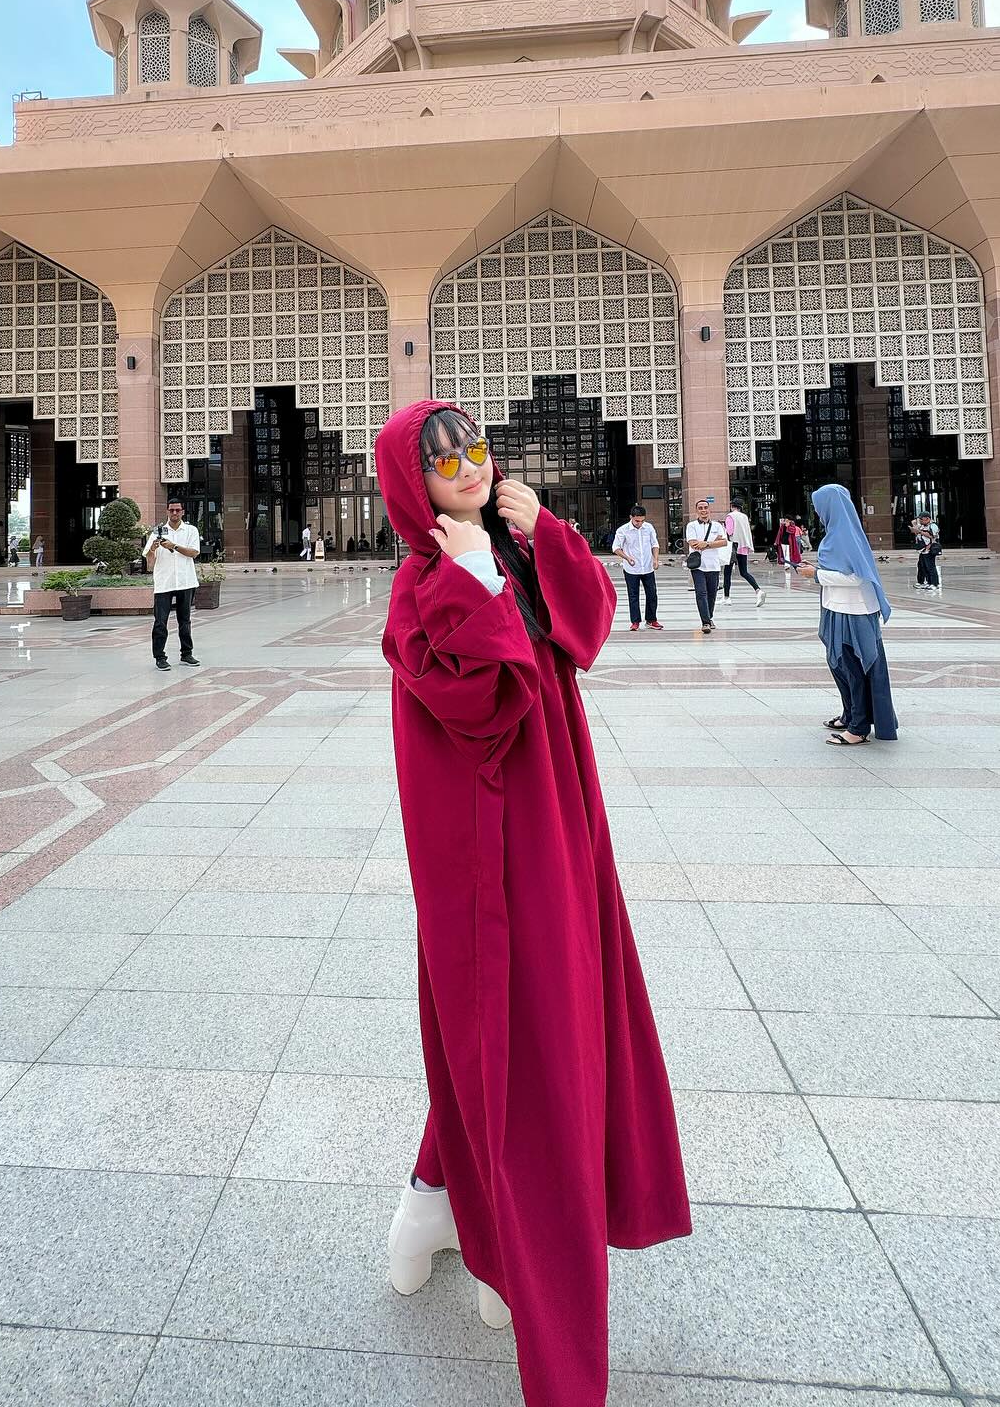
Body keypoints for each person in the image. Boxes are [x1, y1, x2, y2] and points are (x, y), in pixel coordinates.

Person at [375, 400, 690, 1407]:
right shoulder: (424, 589)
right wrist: (473, 570)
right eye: (441, 461)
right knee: (532, 1050)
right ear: (408, 488)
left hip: (563, 836)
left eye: (472, 448)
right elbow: (481, 706)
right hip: (496, 868)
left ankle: (436, 1205)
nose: (466, 467)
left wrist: (540, 532)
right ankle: (513, 1267)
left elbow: (589, 626)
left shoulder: (509, 551)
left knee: (536, 1036)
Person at [800, 482, 897, 746]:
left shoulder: (844, 536)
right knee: (839, 664)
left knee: (852, 665)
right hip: (837, 607)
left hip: (853, 611)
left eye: (820, 506)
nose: (818, 512)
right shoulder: (837, 533)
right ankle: (849, 713)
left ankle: (858, 728)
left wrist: (816, 574)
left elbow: (856, 578)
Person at [142, 498, 201, 672]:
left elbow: (194, 553)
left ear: (182, 511)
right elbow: (149, 563)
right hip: (164, 583)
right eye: (171, 510)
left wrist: (173, 546)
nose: (174, 513)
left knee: (185, 620)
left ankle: (186, 653)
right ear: (167, 511)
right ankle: (159, 657)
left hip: (185, 581)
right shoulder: (157, 532)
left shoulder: (190, 530)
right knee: (160, 621)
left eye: (177, 510)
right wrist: (153, 549)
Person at [612, 502, 662, 630]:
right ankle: (635, 621)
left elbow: (654, 544)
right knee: (633, 595)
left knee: (652, 593)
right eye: (637, 521)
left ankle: (651, 619)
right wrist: (627, 558)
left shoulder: (649, 528)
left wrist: (655, 559)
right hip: (631, 568)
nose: (639, 523)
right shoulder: (623, 530)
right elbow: (616, 548)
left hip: (647, 566)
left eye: (642, 521)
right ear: (631, 517)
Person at [684, 495, 728, 633]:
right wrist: (713, 543)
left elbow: (724, 542)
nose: (703, 510)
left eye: (705, 508)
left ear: (709, 509)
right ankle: (705, 622)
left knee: (712, 593)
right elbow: (693, 543)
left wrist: (706, 543)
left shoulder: (717, 525)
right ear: (697, 511)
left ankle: (709, 617)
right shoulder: (691, 526)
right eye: (700, 508)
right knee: (701, 593)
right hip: (698, 565)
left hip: (714, 564)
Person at [722, 501, 764, 604]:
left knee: (727, 573)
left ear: (732, 506)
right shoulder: (744, 517)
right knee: (744, 572)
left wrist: (723, 527)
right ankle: (758, 590)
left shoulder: (730, 516)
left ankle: (726, 597)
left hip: (733, 548)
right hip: (743, 547)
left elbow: (729, 532)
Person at [913, 514, 942, 590]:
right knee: (923, 566)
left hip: (929, 549)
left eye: (922, 519)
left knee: (930, 567)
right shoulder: (922, 526)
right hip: (923, 549)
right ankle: (928, 582)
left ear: (927, 518)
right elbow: (918, 533)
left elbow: (933, 536)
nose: (921, 521)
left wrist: (920, 532)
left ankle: (934, 583)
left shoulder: (933, 526)